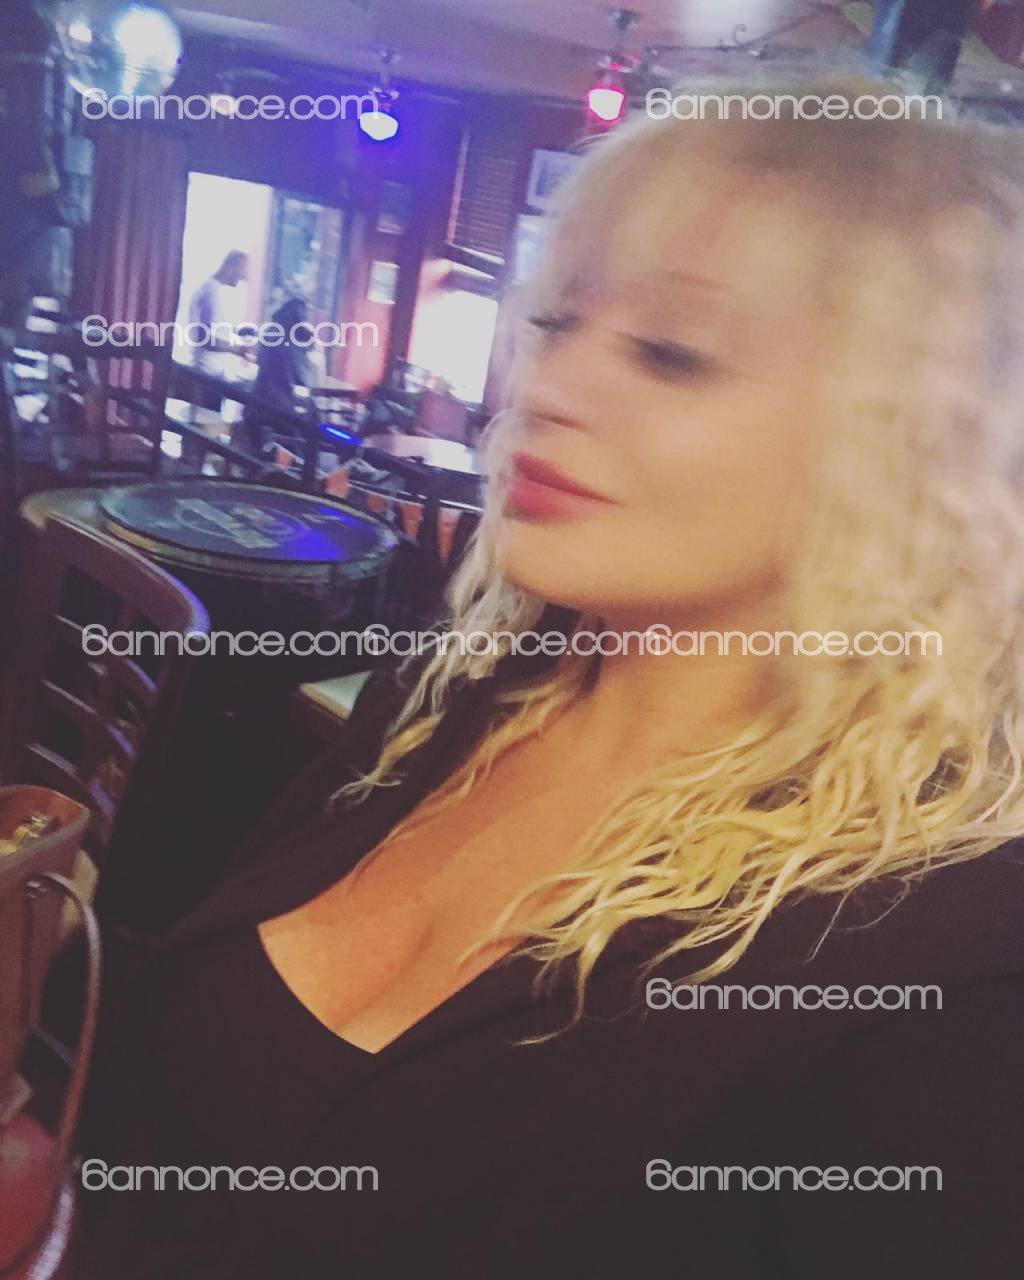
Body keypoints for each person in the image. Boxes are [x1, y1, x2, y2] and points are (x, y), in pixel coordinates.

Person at [77, 78, 1024, 1277]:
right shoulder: (448, 697)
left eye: (673, 353)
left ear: (921, 445)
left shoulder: (950, 959)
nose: (548, 391)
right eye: (557, 324)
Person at [235, 296, 314, 458]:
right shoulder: (293, 343)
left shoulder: (269, 332)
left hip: (254, 408)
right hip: (279, 412)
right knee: (311, 427)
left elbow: (260, 360)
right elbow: (304, 379)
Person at [186, 249, 250, 385]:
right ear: (230, 266)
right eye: (242, 270)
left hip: (211, 372)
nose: (244, 277)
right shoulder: (210, 293)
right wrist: (239, 350)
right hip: (206, 375)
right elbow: (205, 338)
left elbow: (214, 328)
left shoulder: (210, 290)